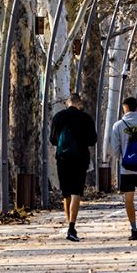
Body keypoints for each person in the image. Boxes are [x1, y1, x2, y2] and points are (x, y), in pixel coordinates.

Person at [49, 93, 97, 242]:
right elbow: (92, 140)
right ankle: (72, 226)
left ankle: (69, 226)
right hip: (80, 159)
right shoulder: (85, 118)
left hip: (63, 159)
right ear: (79, 103)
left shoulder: (58, 117)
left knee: (66, 193)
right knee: (76, 192)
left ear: (68, 103)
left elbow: (53, 140)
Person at [110, 97, 137, 240]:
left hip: (126, 168)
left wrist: (123, 159)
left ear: (125, 107)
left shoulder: (118, 125)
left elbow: (115, 148)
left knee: (128, 198)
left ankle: (133, 228)